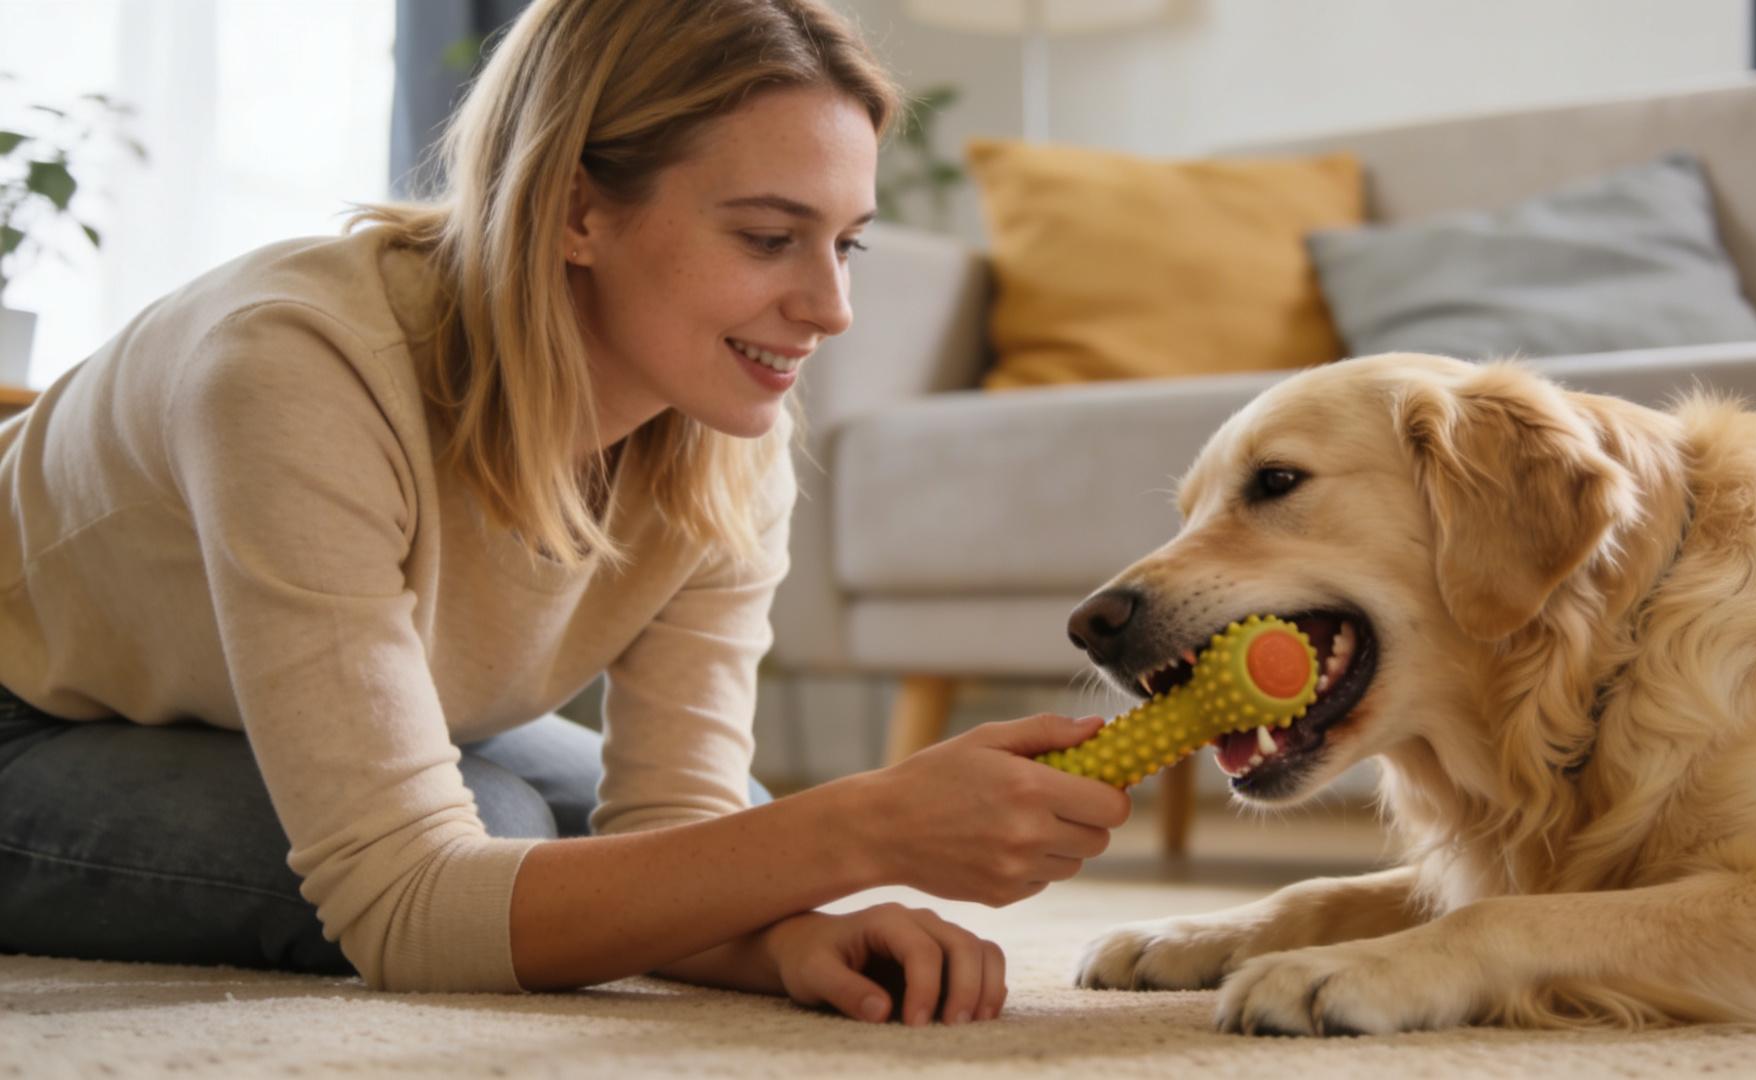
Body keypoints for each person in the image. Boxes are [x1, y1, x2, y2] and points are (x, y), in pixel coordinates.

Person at [0, 0, 1128, 1027]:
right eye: (767, 237)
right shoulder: (294, 366)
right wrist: (863, 825)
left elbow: (680, 821)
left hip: (330, 709)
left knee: (729, 828)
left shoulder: (724, 431)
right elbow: (408, 904)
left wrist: (779, 939)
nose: (832, 309)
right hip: (27, 717)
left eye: (847, 243)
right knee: (501, 828)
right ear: (577, 208)